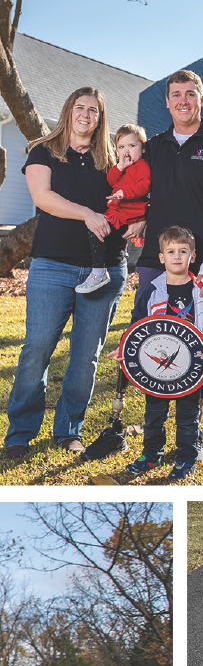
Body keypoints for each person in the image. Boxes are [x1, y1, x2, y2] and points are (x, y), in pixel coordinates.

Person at [131, 69, 203, 460]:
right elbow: (137, 192)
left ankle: (191, 433)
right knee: (152, 342)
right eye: (176, 94)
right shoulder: (155, 148)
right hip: (154, 262)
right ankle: (152, 431)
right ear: (166, 102)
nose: (183, 100)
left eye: (190, 93)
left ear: (202, 99)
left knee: (201, 347)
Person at [4, 87, 128, 459]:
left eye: (94, 109)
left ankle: (69, 430)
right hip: (52, 265)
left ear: (100, 117)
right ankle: (20, 433)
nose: (86, 114)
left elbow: (135, 194)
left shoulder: (112, 160)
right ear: (68, 111)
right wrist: (88, 215)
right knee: (37, 348)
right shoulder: (45, 150)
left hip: (105, 268)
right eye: (80, 107)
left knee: (86, 355)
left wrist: (139, 220)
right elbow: (42, 197)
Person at [120, 226, 203, 482]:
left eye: (182, 251)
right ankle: (150, 455)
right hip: (156, 371)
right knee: (153, 416)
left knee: (187, 418)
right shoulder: (151, 291)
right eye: (171, 251)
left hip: (191, 370)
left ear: (193, 256)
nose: (176, 256)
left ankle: (186, 459)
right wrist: (125, 348)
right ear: (161, 257)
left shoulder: (202, 291)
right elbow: (137, 325)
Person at [76, 124, 150, 294]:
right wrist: (120, 167)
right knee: (97, 231)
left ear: (143, 148)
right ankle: (98, 270)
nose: (126, 151)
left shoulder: (142, 166)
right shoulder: (123, 167)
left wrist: (124, 193)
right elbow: (110, 181)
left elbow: (144, 186)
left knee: (96, 229)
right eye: (121, 147)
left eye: (132, 146)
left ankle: (99, 272)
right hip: (117, 213)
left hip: (127, 216)